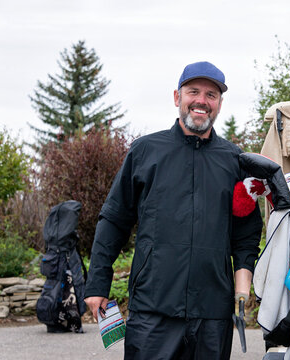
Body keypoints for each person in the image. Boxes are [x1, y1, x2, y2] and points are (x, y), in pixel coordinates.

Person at [84, 61, 263, 359]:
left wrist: (243, 282)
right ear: (177, 97)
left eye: (211, 94)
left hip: (212, 313)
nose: (202, 101)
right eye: (194, 91)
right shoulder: (145, 152)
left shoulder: (235, 161)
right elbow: (114, 220)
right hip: (153, 308)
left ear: (219, 104)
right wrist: (97, 282)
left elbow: (246, 232)